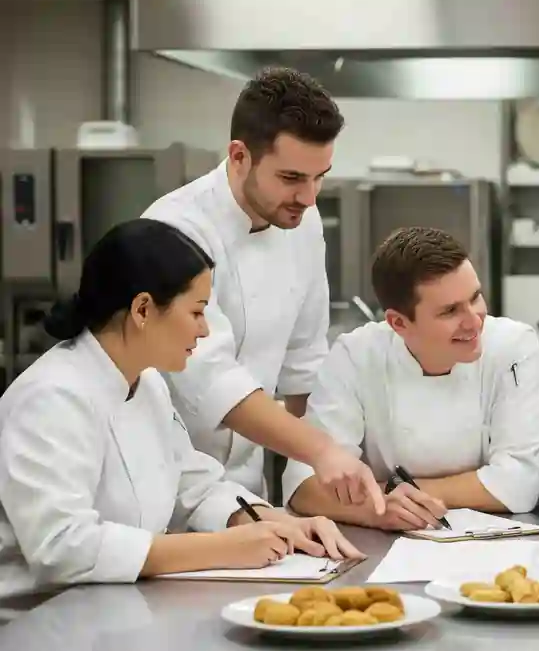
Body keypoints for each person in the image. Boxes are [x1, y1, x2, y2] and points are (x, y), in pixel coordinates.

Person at [0, 219, 363, 607]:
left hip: (114, 605)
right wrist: (220, 548)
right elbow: (62, 547)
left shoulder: (146, 382)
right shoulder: (52, 397)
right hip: (39, 621)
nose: (205, 331)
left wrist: (275, 522)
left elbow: (193, 485)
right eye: (197, 312)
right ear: (143, 309)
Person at [142, 66, 383, 513]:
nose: (309, 198)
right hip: (165, 493)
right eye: (291, 178)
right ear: (239, 157)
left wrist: (313, 483)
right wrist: (321, 452)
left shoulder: (302, 222)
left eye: (320, 177)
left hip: (249, 497)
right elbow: (209, 379)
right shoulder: (175, 228)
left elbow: (304, 366)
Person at [283, 227, 539, 529]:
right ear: (399, 322)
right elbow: (303, 484)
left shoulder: (513, 346)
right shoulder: (356, 356)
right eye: (450, 311)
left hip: (495, 542)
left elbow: (519, 484)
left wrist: (390, 494)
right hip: (382, 546)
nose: (474, 321)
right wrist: (376, 512)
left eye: (475, 297)